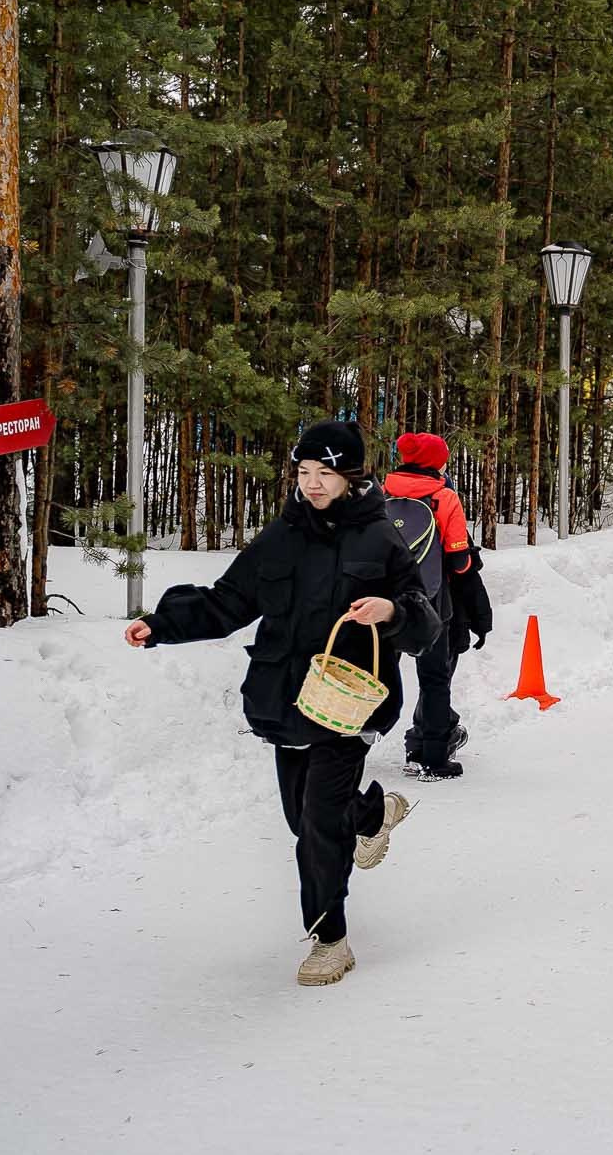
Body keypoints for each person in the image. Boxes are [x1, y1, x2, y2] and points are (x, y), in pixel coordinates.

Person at [124, 420, 442, 987]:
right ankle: (374, 814)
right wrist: (161, 624)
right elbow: (228, 602)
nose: (313, 484)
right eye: (303, 472)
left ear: (351, 475)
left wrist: (390, 612)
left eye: (325, 473)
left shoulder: (379, 537)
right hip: (287, 701)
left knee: (319, 824)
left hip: (348, 703)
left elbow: (423, 615)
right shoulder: (282, 536)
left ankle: (330, 939)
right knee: (304, 819)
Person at [383, 431, 488, 779]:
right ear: (436, 462)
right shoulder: (444, 497)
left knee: (380, 673)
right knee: (434, 678)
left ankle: (347, 746)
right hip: (430, 602)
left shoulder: (381, 493)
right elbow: (460, 561)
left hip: (385, 604)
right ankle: (432, 758)